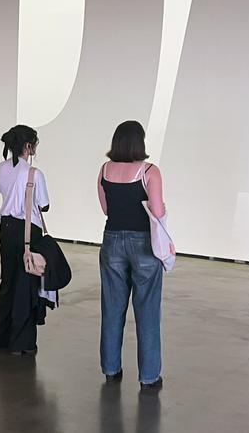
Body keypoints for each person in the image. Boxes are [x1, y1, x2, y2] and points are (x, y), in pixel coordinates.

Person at [97, 121, 170, 389]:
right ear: (140, 142)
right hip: (144, 244)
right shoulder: (150, 171)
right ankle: (149, 376)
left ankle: (111, 369)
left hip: (112, 240)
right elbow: (158, 213)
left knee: (112, 309)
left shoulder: (104, 170)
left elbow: (106, 209)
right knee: (147, 311)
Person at [0, 124, 50, 356]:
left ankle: (1, 338)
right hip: (28, 230)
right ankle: (22, 343)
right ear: (28, 146)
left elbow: (3, 192)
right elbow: (44, 204)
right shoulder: (34, 173)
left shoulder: (1, 168)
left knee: (7, 281)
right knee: (26, 286)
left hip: (6, 227)